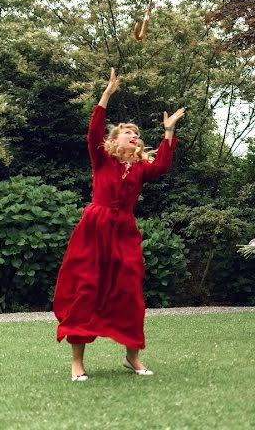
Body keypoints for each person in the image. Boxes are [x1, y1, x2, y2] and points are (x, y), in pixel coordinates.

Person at [54, 69, 184, 381]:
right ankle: (77, 363)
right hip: (94, 229)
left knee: (129, 292)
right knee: (85, 290)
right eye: (128, 133)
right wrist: (107, 94)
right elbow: (93, 132)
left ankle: (132, 357)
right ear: (115, 141)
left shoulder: (140, 168)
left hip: (124, 232)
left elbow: (162, 165)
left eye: (137, 134)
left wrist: (168, 132)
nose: (135, 136)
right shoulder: (103, 161)